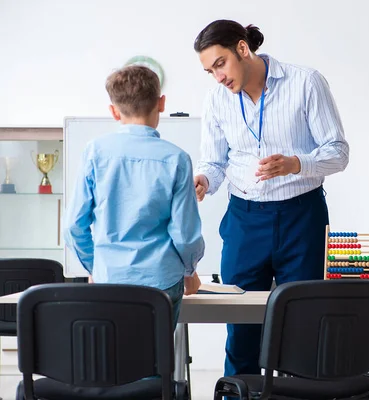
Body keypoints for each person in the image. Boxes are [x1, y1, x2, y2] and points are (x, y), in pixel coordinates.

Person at [193, 19, 349, 376]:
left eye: (220, 64)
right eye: (209, 71)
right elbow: (214, 162)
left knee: (303, 324)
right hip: (245, 220)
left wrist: (296, 163)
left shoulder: (306, 82)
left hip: (302, 218)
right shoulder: (217, 99)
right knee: (241, 330)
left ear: (243, 49)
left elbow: (338, 152)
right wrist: (203, 180)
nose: (218, 77)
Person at [64, 65, 205, 331]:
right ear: (161, 103)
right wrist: (190, 272)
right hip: (161, 282)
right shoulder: (177, 159)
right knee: (154, 362)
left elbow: (73, 226)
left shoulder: (95, 152)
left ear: (114, 111)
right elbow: (185, 234)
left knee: (112, 360)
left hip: (109, 281)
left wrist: (97, 266)